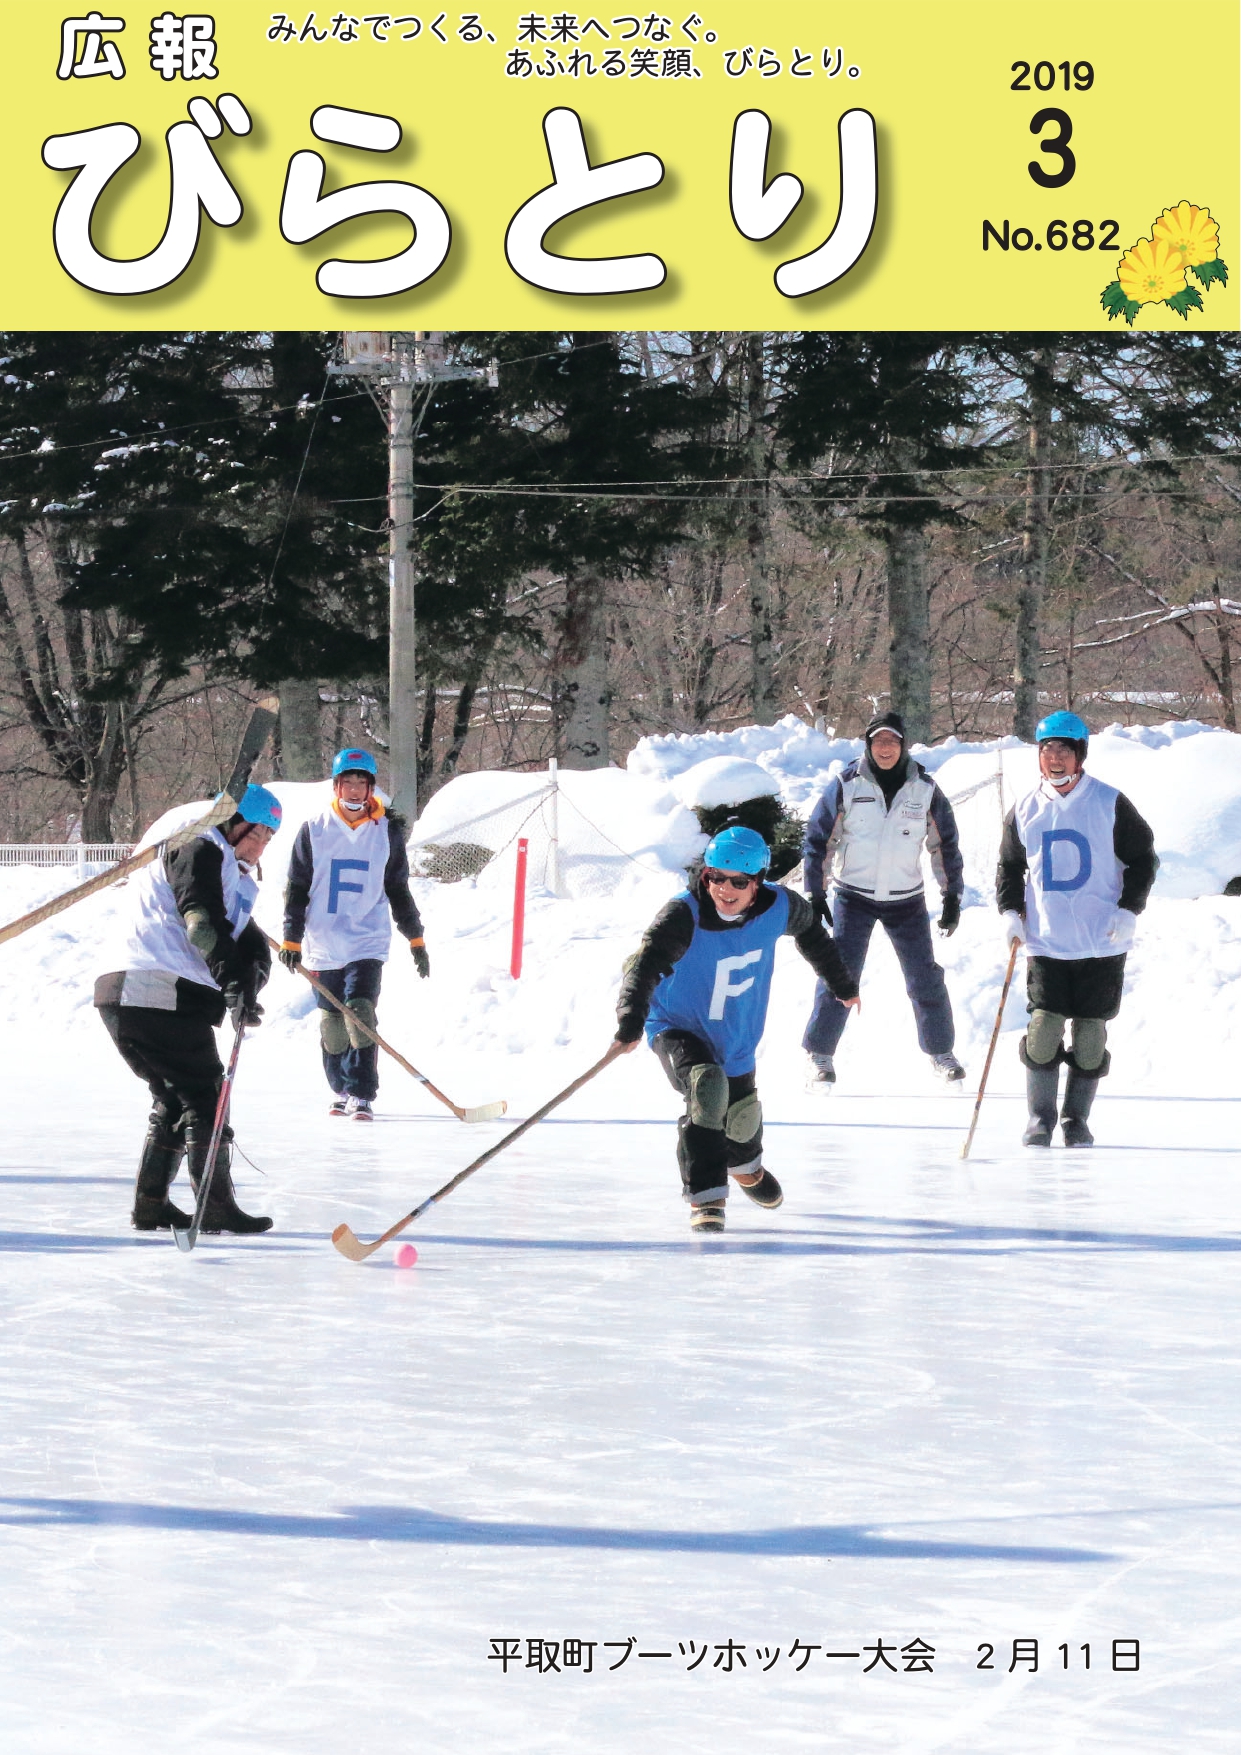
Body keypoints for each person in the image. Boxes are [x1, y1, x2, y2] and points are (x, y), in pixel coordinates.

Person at [613, 825, 860, 1233]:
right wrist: (631, 1019)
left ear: (758, 882)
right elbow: (645, 965)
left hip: (735, 1034)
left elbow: (813, 935)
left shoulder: (780, 906)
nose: (725, 890)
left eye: (739, 882)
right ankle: (706, 1198)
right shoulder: (684, 914)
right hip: (675, 1024)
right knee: (707, 1089)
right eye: (716, 878)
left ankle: (746, 1170)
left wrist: (843, 983)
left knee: (741, 1125)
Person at [94, 784, 280, 1234]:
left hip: (126, 991)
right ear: (232, 825)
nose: (257, 849)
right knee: (204, 1096)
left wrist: (251, 965)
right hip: (157, 989)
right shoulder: (199, 845)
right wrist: (234, 983)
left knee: (175, 1098)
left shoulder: (218, 864)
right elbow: (201, 925)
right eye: (254, 835)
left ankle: (151, 1205)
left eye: (266, 842)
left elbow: (229, 926)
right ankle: (214, 1206)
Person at [997, 710, 1158, 1147]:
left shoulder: (1108, 802)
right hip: (1047, 942)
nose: (1055, 758)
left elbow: (1144, 859)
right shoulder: (1026, 808)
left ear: (1080, 755)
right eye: (1047, 749)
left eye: (1064, 750)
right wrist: (1011, 912)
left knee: (1090, 1037)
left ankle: (1075, 1119)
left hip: (1101, 943)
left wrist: (1129, 910)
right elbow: (1010, 866)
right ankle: (1040, 1117)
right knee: (1044, 1029)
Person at [801, 710, 966, 1087]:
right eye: (878, 742)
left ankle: (941, 1052)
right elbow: (818, 840)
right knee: (839, 974)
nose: (885, 749)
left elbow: (945, 846)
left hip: (906, 899)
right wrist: (815, 891)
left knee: (924, 977)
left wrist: (952, 895)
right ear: (868, 745)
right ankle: (819, 1054)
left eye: (892, 741)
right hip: (852, 896)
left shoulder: (925, 789)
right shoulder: (846, 784)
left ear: (903, 745)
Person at [279, 747, 428, 1120]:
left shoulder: (387, 832)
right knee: (333, 1024)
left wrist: (416, 938)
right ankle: (341, 1088)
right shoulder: (314, 830)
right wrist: (291, 938)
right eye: (349, 782)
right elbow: (296, 887)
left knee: (360, 1012)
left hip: (367, 939)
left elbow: (398, 888)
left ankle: (362, 1092)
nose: (356, 790)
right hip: (322, 941)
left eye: (363, 783)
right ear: (336, 786)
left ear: (372, 787)